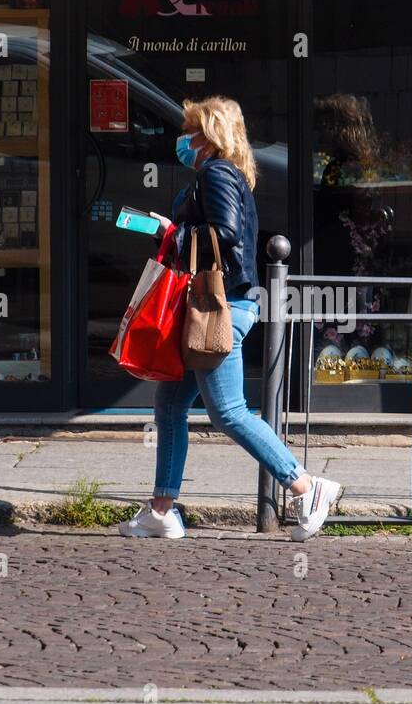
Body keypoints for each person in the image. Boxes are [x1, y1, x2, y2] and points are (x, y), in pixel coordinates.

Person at [115, 96, 343, 542]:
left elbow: (226, 233)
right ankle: (162, 509)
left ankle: (305, 486)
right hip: (210, 309)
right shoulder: (223, 173)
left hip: (219, 310)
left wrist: (173, 232)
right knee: (170, 406)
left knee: (230, 412)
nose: (183, 136)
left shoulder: (217, 172)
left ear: (209, 134)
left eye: (190, 129)